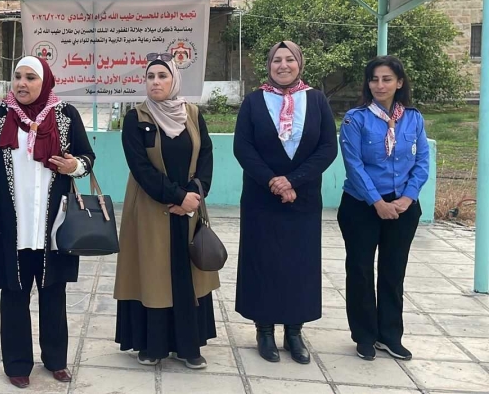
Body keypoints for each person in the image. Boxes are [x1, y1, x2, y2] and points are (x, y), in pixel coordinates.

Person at [0, 56, 95, 389]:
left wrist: (74, 166)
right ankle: (17, 364)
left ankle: (56, 361)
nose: (22, 83)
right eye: (18, 77)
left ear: (45, 81)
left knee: (54, 294)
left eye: (30, 78)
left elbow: (87, 158)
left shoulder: (65, 115)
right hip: (12, 225)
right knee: (14, 295)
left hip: (53, 226)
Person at [233, 41, 338, 364]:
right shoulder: (253, 101)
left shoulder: (317, 100)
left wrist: (293, 180)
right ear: (268, 66)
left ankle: (294, 332)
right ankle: (264, 330)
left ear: (299, 63)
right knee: (263, 262)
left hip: (303, 199)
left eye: (289, 59)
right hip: (261, 198)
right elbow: (243, 148)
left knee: (299, 265)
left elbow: (328, 148)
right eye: (276, 60)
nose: (283, 65)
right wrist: (273, 181)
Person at [114, 55, 218, 369]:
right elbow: (141, 168)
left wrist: (196, 193)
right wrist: (177, 197)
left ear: (174, 80)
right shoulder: (136, 118)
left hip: (189, 210)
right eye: (150, 77)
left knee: (187, 272)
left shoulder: (193, 114)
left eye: (162, 76)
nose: (156, 82)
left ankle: (189, 346)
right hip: (149, 208)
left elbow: (206, 155)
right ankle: (153, 345)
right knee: (153, 273)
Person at [338, 55, 429, 362]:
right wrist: (377, 202)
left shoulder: (413, 119)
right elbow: (353, 164)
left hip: (402, 207)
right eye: (374, 79)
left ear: (399, 82)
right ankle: (364, 336)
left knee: (393, 271)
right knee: (360, 270)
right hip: (362, 206)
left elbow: (422, 161)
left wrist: (407, 198)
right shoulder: (355, 119)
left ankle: (390, 335)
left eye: (387, 79)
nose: (380, 85)